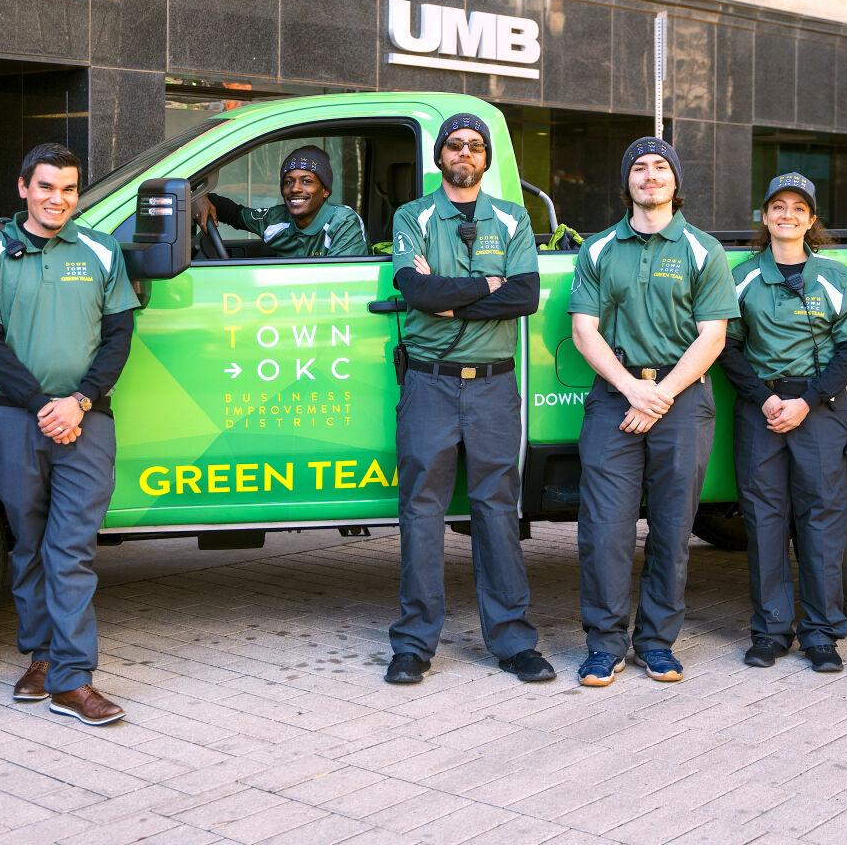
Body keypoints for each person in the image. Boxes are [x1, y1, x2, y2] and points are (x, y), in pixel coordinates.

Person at [0, 143, 142, 725]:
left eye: (68, 189)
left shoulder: (100, 250)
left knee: (71, 550)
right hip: (17, 420)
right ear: (24, 189)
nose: (58, 199)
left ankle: (72, 678)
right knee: (29, 545)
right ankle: (40, 657)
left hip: (87, 421)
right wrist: (43, 405)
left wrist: (80, 400)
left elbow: (118, 337)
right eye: (46, 187)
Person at [383, 112, 554, 686]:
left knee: (497, 511)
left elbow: (525, 296)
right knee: (421, 511)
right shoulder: (412, 216)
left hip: (493, 387)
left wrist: (451, 299)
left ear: (486, 158)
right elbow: (415, 288)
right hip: (429, 384)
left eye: (475, 146)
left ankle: (514, 642)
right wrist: (486, 286)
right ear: (440, 157)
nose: (465, 153)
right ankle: (413, 645)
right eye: (454, 145)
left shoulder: (511, 218)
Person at [568, 137, 738, 687]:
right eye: (638, 168)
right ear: (628, 182)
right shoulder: (598, 249)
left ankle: (658, 643)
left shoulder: (702, 250)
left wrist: (659, 394)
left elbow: (713, 336)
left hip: (682, 400)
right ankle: (604, 645)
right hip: (614, 398)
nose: (649, 176)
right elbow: (584, 330)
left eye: (660, 167)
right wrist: (630, 389)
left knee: (672, 529)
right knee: (604, 531)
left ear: (675, 180)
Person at [716, 173, 847, 673]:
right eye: (778, 206)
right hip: (761, 408)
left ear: (811, 219)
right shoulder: (742, 276)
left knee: (822, 520)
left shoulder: (834, 277)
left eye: (799, 208)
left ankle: (822, 634)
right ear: (764, 216)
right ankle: (771, 630)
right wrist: (764, 398)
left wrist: (808, 399)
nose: (787, 215)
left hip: (819, 409)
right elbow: (727, 347)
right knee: (764, 520)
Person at [195, 145, 368, 257]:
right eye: (288, 182)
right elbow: (235, 214)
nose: (295, 189)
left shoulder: (343, 222)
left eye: (306, 181)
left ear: (325, 191)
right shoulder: (276, 218)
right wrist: (200, 197)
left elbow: (342, 284)